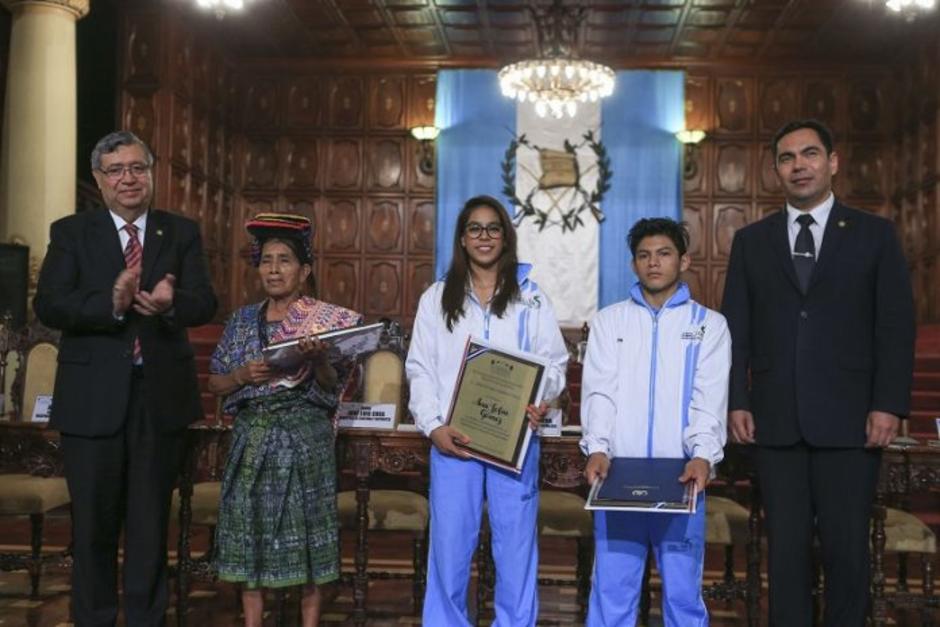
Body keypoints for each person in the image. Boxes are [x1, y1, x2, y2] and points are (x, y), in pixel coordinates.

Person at [721, 119, 915, 626]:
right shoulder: (751, 241)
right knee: (785, 557)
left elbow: (894, 325)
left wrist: (888, 403)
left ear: (833, 162)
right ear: (775, 170)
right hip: (774, 420)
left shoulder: (875, 235)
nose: (799, 165)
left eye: (810, 154)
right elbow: (735, 328)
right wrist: (736, 400)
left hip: (852, 422)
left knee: (847, 554)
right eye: (787, 158)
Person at [33, 131, 217, 626]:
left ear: (152, 173)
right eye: (116, 170)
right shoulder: (72, 232)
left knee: (149, 525)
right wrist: (109, 305)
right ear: (99, 180)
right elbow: (49, 303)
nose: (128, 179)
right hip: (92, 400)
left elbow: (206, 301)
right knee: (92, 526)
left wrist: (169, 304)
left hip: (159, 399)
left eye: (137, 167)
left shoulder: (180, 232)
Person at [406, 195, 569, 626]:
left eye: (493, 228)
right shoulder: (437, 297)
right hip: (452, 442)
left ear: (505, 236)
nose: (484, 236)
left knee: (515, 551)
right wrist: (433, 426)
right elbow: (418, 368)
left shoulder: (531, 298)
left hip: (513, 443)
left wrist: (541, 396)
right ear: (462, 238)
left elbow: (555, 363)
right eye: (475, 229)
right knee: (449, 550)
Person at [207, 213, 361, 627]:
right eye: (267, 261)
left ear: (305, 270)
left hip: (303, 441)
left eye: (285, 261)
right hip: (252, 439)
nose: (274, 269)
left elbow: (332, 390)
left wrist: (319, 359)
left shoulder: (322, 324)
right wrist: (241, 376)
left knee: (309, 536)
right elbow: (217, 381)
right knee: (249, 536)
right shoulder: (241, 320)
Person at [580, 217, 730, 626]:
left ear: (684, 261)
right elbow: (599, 392)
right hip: (618, 477)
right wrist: (597, 447)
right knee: (612, 594)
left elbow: (710, 398)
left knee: (683, 596)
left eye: (664, 254)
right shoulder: (610, 322)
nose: (653, 263)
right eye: (644, 256)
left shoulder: (710, 326)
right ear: (633, 265)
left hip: (681, 480)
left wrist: (703, 456)